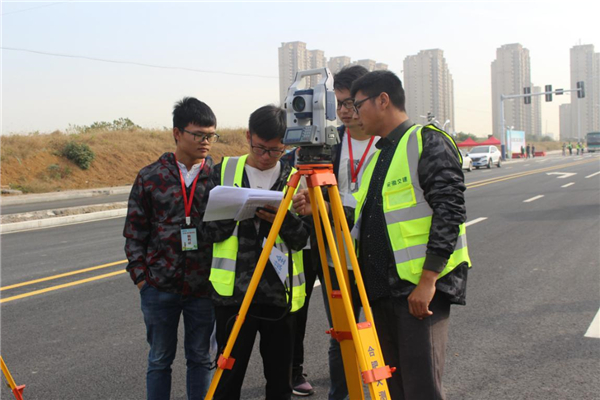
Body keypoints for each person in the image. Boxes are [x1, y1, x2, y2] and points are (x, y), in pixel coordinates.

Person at [296, 70, 471, 399]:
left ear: (383, 100)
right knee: (394, 388)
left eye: (357, 104)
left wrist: (428, 281)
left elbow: (450, 212)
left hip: (416, 292)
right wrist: (320, 207)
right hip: (381, 291)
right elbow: (363, 216)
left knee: (421, 388)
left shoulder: (426, 141)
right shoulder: (381, 153)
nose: (353, 112)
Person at [203, 105, 310, 400]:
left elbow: (303, 240)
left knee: (279, 382)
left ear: (285, 144)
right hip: (234, 296)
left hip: (280, 296)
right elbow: (207, 233)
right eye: (260, 148)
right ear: (248, 136)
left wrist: (282, 220)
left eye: (275, 151)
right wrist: (235, 211)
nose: (265, 157)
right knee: (227, 380)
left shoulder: (296, 178)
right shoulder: (223, 172)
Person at [284, 64, 376, 399]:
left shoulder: (388, 143)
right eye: (338, 103)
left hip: (376, 255)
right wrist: (309, 202)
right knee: (342, 335)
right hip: (335, 256)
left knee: (381, 334)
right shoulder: (327, 142)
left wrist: (331, 208)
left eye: (351, 103)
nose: (344, 111)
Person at [123, 97, 218, 400]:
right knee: (159, 360)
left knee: (201, 358)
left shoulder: (218, 178)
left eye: (210, 135)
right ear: (177, 133)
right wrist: (142, 279)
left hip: (204, 288)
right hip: (159, 287)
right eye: (198, 135)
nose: (205, 142)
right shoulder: (150, 177)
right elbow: (134, 232)